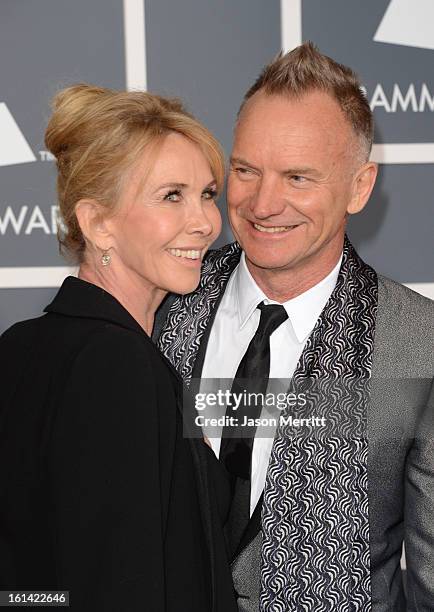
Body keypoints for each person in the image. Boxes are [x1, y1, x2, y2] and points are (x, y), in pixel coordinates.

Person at [155, 43, 434, 611]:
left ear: (360, 187)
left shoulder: (420, 344)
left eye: (298, 177)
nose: (264, 202)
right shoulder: (158, 302)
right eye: (246, 170)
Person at [0, 84, 238, 611]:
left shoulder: (20, 348)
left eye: (206, 193)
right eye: (171, 195)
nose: (204, 221)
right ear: (98, 222)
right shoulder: (117, 365)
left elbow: (35, 585)